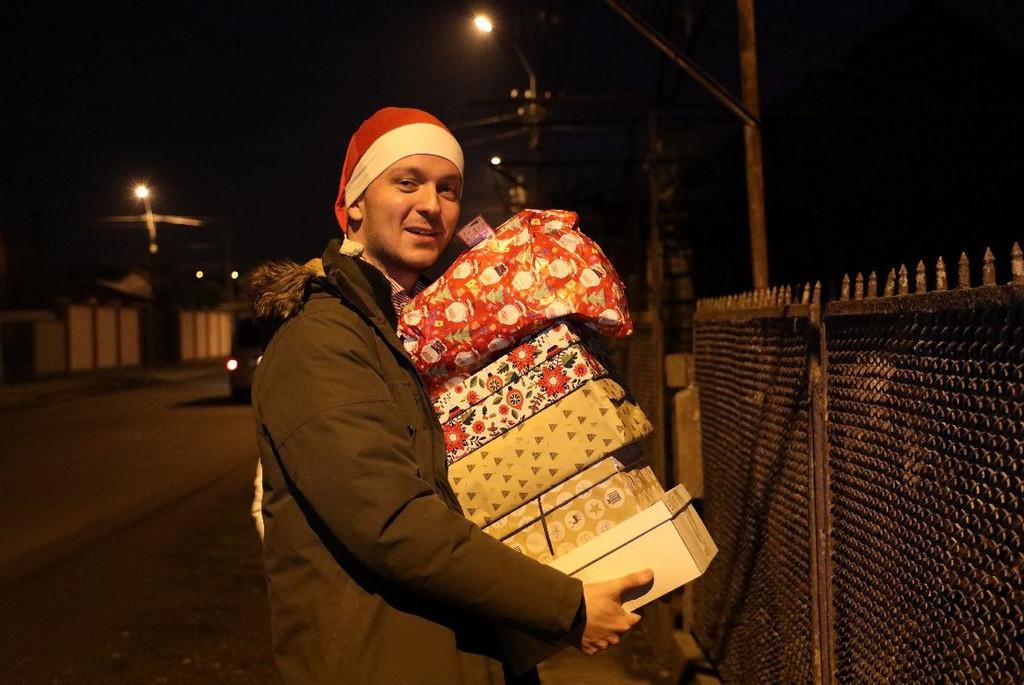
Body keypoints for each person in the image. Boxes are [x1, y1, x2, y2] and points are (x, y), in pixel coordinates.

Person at [250, 107, 652, 684]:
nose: (431, 205)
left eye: (448, 189)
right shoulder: (321, 340)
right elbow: (392, 523)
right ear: (355, 202)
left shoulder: (404, 332)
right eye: (406, 182)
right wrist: (567, 605)